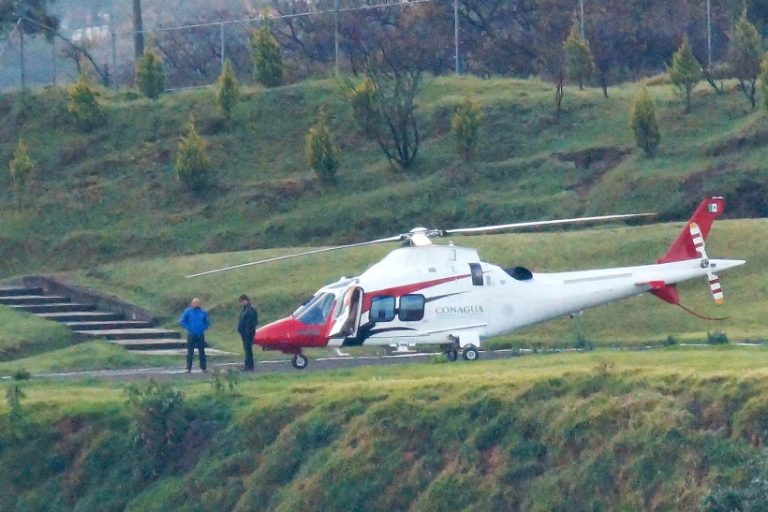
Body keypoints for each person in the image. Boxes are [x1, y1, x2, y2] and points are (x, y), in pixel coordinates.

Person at [179, 297, 210, 373]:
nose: (196, 304)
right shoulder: (188, 311)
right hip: (191, 334)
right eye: (194, 303)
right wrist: (188, 328)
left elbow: (207, 322)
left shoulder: (202, 312)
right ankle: (188, 367)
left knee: (202, 351)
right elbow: (182, 321)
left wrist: (203, 328)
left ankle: (203, 367)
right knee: (190, 351)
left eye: (197, 303)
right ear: (192, 303)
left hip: (200, 334)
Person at [237, 294, 258, 371]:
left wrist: (248, 332)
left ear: (246, 300)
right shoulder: (245, 309)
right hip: (244, 333)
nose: (241, 303)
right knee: (247, 350)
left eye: (242, 301)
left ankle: (249, 366)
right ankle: (248, 365)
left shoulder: (251, 310)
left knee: (248, 350)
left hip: (248, 333)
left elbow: (251, 322)